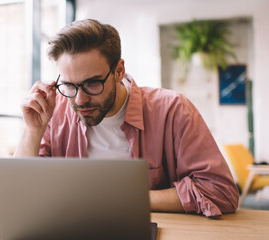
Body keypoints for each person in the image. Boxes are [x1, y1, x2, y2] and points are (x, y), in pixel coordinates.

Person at [14, 19, 239, 217]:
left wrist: (123, 199)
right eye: (70, 85)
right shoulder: (56, 110)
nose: (80, 100)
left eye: (92, 83)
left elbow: (220, 192)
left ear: (119, 71)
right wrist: (32, 130)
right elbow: (19, 192)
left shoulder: (173, 109)